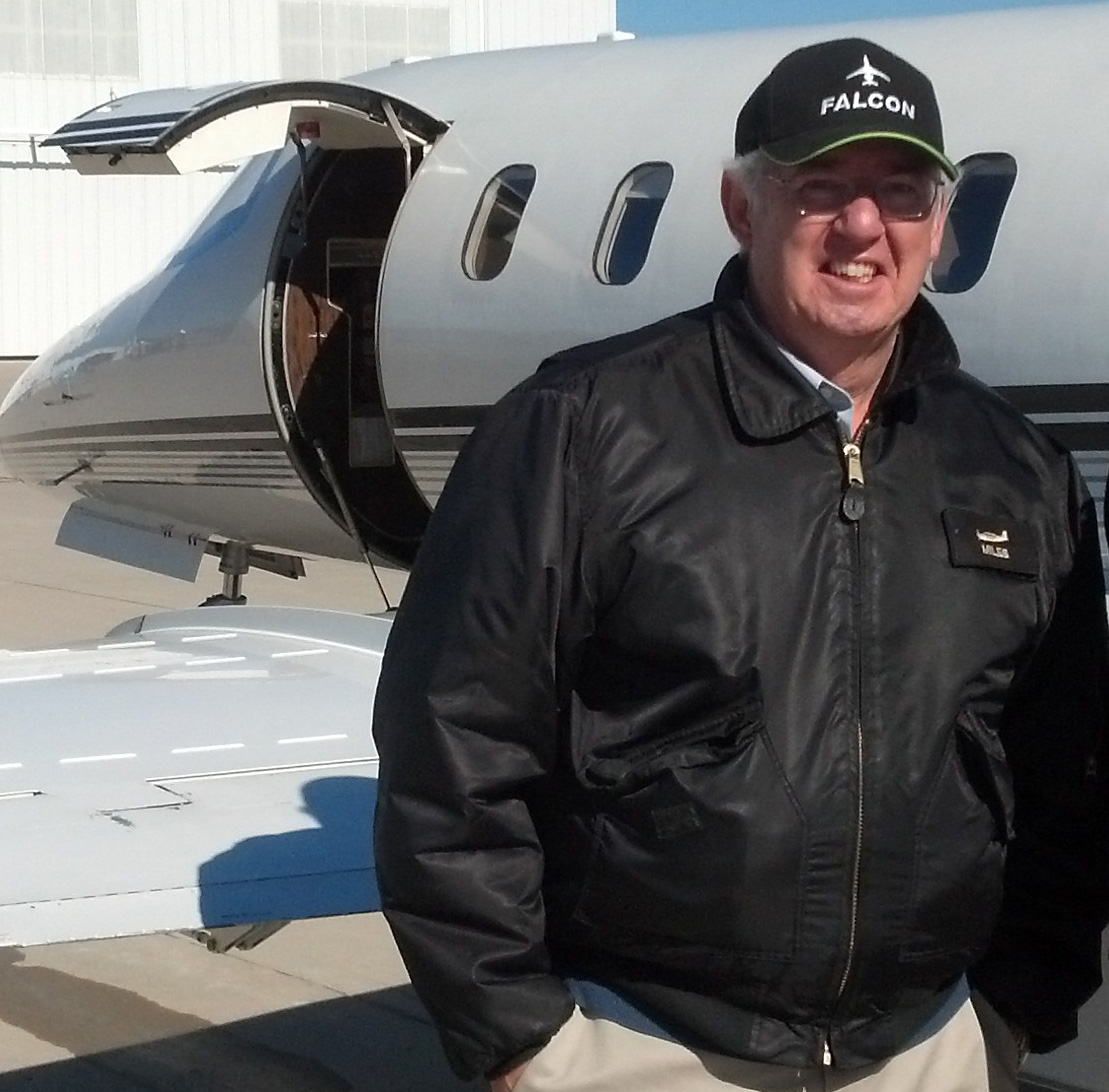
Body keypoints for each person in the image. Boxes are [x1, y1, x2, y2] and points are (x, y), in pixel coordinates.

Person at [372, 36, 1109, 1092]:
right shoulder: (582, 431)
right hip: (641, 1045)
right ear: (740, 208)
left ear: (935, 226)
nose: (862, 226)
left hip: (929, 1048)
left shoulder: (1012, 468)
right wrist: (521, 1042)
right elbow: (451, 748)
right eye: (822, 187)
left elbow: (1066, 770)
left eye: (899, 192)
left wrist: (1013, 1008)